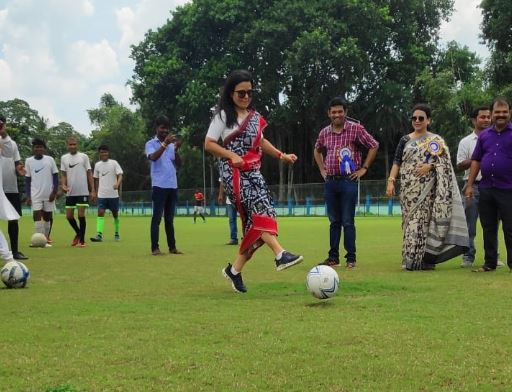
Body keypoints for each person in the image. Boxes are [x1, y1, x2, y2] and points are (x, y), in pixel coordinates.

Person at [205, 69, 303, 293]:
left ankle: (235, 270)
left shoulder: (255, 117)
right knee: (260, 212)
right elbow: (209, 144)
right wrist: (231, 155)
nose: (246, 97)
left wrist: (281, 155)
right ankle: (280, 254)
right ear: (231, 94)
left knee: (259, 222)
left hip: (254, 171)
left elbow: (261, 142)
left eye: (250, 92)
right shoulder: (221, 116)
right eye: (241, 93)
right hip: (234, 173)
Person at [386, 103, 468, 271]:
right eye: (414, 118)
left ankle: (424, 259)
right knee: (409, 223)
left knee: (423, 223)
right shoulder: (405, 140)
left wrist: (429, 167)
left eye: (421, 118)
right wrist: (391, 180)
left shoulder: (436, 141)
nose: (417, 121)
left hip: (428, 191)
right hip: (408, 190)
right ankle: (409, 257)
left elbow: (445, 164)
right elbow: (397, 162)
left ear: (428, 120)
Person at [314, 97, 379, 269]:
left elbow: (374, 145)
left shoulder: (356, 129)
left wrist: (364, 168)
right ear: (329, 113)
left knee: (347, 221)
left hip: (348, 181)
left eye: (340, 111)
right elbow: (317, 149)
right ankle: (333, 257)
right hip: (331, 182)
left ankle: (351, 257)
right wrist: (322, 169)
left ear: (346, 112)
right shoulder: (324, 133)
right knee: (334, 221)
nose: (337, 114)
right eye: (333, 112)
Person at [465, 97, 512, 272]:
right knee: (488, 227)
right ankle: (490, 263)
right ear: (492, 114)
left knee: (510, 228)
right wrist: (470, 185)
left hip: (508, 188)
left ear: (509, 113)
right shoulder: (484, 136)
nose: (501, 115)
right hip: (486, 188)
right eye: (497, 112)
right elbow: (476, 160)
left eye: (504, 112)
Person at [456, 106, 492, 268]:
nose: (485, 120)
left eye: (488, 117)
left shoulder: (495, 139)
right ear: (474, 120)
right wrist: (478, 156)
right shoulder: (465, 141)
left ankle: (493, 256)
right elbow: (460, 165)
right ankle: (468, 256)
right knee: (469, 225)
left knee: (491, 224)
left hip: (492, 186)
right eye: (482, 117)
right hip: (472, 186)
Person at [145, 115, 183, 256]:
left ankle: (172, 247)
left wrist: (177, 150)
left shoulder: (171, 145)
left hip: (172, 185)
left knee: (169, 219)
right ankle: (155, 248)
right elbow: (153, 157)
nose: (165, 131)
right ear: (156, 128)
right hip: (159, 185)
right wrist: (164, 144)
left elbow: (179, 164)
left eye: (167, 129)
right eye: (162, 128)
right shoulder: (150, 144)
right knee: (157, 217)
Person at [0, 115, 28, 260]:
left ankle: (15, 251)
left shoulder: (11, 142)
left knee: (13, 219)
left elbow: (13, 157)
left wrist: (19, 169)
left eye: (1, 124)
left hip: (10, 186)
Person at [60, 137, 95, 247]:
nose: (72, 146)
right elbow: (64, 174)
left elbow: (89, 173)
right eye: (70, 144)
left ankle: (82, 241)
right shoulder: (64, 158)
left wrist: (93, 190)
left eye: (74, 144)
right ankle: (79, 233)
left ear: (77, 145)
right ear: (67, 145)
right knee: (69, 216)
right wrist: (63, 185)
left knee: (81, 215)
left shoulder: (84, 157)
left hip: (82, 191)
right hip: (70, 192)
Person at [24, 138, 59, 243]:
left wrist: (54, 192)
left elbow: (55, 176)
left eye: (40, 147)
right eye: (36, 147)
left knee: (48, 217)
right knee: (36, 214)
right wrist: (28, 196)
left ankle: (46, 238)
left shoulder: (50, 160)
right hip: (35, 194)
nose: (38, 149)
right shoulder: (28, 161)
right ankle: (39, 238)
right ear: (33, 149)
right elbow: (27, 179)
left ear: (44, 149)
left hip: (48, 194)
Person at [90, 145, 123, 242]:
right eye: (101, 152)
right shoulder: (97, 165)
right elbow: (96, 179)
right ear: (99, 153)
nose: (103, 154)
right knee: (100, 212)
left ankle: (117, 233)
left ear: (108, 153)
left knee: (115, 214)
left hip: (113, 194)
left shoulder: (114, 163)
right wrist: (95, 192)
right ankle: (99, 235)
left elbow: (120, 175)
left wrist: (117, 184)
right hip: (102, 194)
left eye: (105, 152)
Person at [217, 179, 238, 245]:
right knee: (231, 219)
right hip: (230, 199)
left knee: (245, 219)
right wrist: (220, 195)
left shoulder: (240, 168)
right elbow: (222, 182)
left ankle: (246, 238)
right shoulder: (224, 169)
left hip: (241, 198)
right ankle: (233, 239)